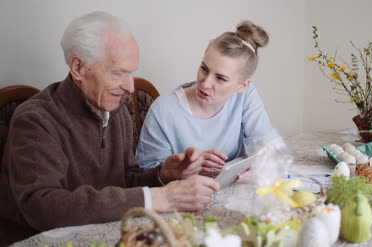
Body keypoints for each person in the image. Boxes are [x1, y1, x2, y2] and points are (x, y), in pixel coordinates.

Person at [0, 11, 219, 245]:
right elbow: (41, 207)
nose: (131, 87)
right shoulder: (36, 119)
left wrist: (163, 175)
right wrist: (158, 198)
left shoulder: (117, 110)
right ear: (78, 68)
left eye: (132, 72)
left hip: (104, 232)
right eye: (119, 73)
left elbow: (125, 180)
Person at [136, 21, 277, 174]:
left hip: (229, 190)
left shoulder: (246, 94)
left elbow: (266, 145)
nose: (205, 83)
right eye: (204, 69)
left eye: (220, 78)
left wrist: (260, 164)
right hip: (184, 194)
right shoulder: (163, 110)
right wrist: (190, 167)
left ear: (242, 86)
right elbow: (147, 172)